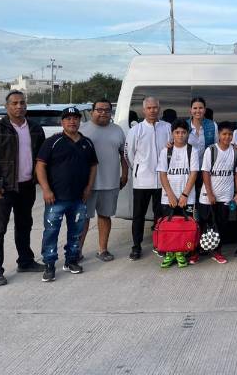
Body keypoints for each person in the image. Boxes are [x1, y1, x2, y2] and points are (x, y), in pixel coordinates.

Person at [0, 90, 46, 286]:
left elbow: (41, 160)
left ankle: (25, 261)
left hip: (26, 187)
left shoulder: (35, 129)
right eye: (15, 103)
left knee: (24, 225)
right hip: (3, 188)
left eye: (22, 103)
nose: (19, 106)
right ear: (7, 106)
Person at [35, 107, 98, 282]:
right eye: (68, 118)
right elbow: (40, 166)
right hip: (55, 198)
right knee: (51, 232)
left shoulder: (87, 143)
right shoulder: (53, 142)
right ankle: (49, 264)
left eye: (75, 118)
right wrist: (46, 189)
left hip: (79, 198)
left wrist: (88, 188)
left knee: (76, 232)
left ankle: (71, 260)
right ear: (62, 122)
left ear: (80, 121)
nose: (72, 121)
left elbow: (93, 166)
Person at [78, 99, 128, 262]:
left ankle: (103, 250)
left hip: (110, 183)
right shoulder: (82, 130)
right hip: (87, 185)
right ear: (92, 111)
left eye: (107, 110)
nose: (103, 113)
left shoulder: (117, 131)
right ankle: (76, 251)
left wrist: (124, 175)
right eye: (99, 109)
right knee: (83, 219)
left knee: (105, 216)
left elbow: (124, 156)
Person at [125, 97, 172, 261]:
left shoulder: (167, 127)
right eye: (149, 108)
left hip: (162, 181)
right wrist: (137, 169)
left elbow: (171, 149)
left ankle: (160, 244)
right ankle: (136, 246)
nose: (152, 110)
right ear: (144, 110)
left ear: (159, 109)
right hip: (142, 181)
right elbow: (129, 154)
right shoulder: (136, 130)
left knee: (161, 215)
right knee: (138, 215)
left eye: (155, 108)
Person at [198, 122, 237, 264]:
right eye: (224, 134)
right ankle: (198, 250)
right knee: (204, 223)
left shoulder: (235, 151)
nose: (227, 137)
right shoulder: (211, 150)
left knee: (222, 224)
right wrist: (210, 193)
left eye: (230, 134)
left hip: (226, 195)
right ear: (219, 135)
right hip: (208, 196)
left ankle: (217, 251)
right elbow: (205, 172)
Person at [158, 119, 200, 268]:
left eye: (183, 132)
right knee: (169, 227)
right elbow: (162, 174)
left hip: (186, 197)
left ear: (187, 134)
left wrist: (184, 195)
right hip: (168, 197)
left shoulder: (192, 150)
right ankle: (170, 253)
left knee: (183, 227)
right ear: (172, 134)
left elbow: (193, 174)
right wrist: (170, 194)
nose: (180, 135)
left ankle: (181, 252)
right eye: (177, 132)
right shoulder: (166, 151)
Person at [186, 97, 217, 201]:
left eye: (200, 108)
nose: (197, 111)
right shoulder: (184, 125)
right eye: (195, 108)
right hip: (189, 170)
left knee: (204, 199)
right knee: (190, 198)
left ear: (205, 109)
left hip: (207, 170)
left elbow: (217, 147)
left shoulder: (212, 125)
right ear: (190, 110)